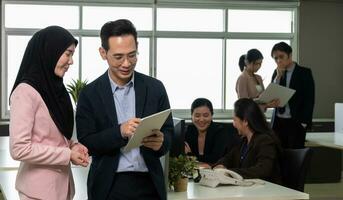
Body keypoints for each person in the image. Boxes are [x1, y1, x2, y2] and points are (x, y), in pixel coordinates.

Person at [76, 19, 174, 200]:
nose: (127, 63)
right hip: (109, 186)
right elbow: (87, 142)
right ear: (103, 53)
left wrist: (161, 142)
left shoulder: (155, 88)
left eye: (132, 55)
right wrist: (120, 131)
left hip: (150, 185)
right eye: (119, 57)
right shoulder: (89, 94)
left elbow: (168, 132)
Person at [9, 26, 89, 200]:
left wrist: (73, 145)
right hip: (37, 192)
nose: (71, 61)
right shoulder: (25, 92)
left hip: (63, 188)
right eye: (68, 53)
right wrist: (67, 154)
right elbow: (19, 149)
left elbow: (55, 136)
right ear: (50, 52)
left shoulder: (57, 91)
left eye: (72, 54)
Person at [213, 98, 282, 183]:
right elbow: (228, 158)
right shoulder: (243, 141)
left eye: (234, 120)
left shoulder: (265, 140)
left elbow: (263, 170)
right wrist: (221, 165)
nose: (233, 124)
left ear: (245, 121)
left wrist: (230, 173)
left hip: (268, 191)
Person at [270, 42, 315, 149]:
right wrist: (278, 78)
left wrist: (303, 123)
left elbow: (310, 99)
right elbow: (271, 95)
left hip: (296, 123)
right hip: (278, 123)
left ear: (290, 55)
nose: (278, 61)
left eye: (281, 57)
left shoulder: (304, 73)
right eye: (275, 58)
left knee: (295, 158)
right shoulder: (276, 73)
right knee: (278, 156)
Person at [184, 98, 240, 168]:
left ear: (212, 115)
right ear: (191, 116)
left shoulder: (220, 131)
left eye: (206, 115)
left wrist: (190, 155)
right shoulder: (189, 131)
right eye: (197, 116)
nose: (201, 120)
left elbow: (214, 159)